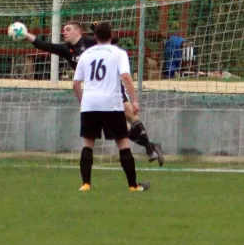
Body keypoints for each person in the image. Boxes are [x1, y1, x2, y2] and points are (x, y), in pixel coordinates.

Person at [21, 20, 164, 166]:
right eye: (64, 29)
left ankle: (149, 149)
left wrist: (97, 29)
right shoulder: (65, 49)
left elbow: (112, 40)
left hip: (112, 86)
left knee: (129, 113)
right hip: (96, 93)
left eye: (68, 29)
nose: (64, 32)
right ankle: (151, 147)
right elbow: (44, 45)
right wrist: (26, 35)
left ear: (78, 31)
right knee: (122, 127)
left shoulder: (90, 43)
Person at [73, 22, 149, 191]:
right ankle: (133, 185)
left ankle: (85, 184)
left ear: (95, 36)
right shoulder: (118, 53)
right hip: (111, 104)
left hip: (90, 104)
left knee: (88, 143)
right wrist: (134, 101)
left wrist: (82, 102)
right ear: (111, 35)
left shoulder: (86, 54)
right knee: (122, 141)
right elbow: (126, 77)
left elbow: (75, 84)